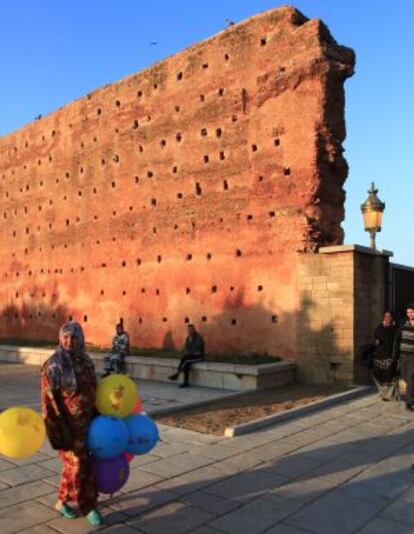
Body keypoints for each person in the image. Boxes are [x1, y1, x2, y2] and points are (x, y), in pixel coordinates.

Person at [40, 321, 103, 526]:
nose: (69, 341)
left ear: (81, 338)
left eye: (74, 337)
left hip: (88, 424)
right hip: (67, 427)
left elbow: (93, 391)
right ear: (60, 338)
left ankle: (61, 502)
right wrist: (59, 430)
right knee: (80, 467)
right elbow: (49, 402)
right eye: (65, 337)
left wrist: (99, 415)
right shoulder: (54, 365)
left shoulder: (85, 360)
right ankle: (89, 506)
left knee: (73, 466)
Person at [371, 311, 398, 400]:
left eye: (389, 316)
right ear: (383, 317)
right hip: (379, 355)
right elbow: (374, 338)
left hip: (389, 355)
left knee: (390, 376)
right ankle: (383, 393)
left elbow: (397, 342)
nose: (387, 318)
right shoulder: (379, 327)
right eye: (386, 316)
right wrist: (376, 341)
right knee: (380, 376)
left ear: (392, 318)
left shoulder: (395, 328)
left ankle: (389, 395)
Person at [394, 302, 414, 410]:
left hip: (412, 355)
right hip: (403, 354)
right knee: (404, 377)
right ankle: (409, 395)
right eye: (408, 312)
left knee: (410, 377)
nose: (409, 314)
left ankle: (409, 402)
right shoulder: (403, 323)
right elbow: (398, 337)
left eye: (411, 312)